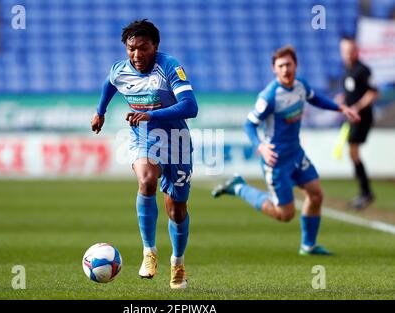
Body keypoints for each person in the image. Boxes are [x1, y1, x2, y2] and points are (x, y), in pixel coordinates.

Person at [212, 46, 360, 255]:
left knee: (316, 195)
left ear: (295, 65)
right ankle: (239, 188)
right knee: (285, 214)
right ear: (274, 69)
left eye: (288, 64)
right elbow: (249, 124)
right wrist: (260, 146)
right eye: (280, 66)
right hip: (277, 160)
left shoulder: (301, 86)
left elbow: (315, 98)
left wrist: (341, 108)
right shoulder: (270, 96)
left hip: (296, 153)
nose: (285, 69)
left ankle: (308, 245)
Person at [91, 19, 198, 289]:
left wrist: (149, 114)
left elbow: (190, 107)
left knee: (176, 210)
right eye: (131, 49)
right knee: (147, 180)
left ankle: (178, 263)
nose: (137, 55)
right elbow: (109, 84)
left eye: (143, 48)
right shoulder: (120, 69)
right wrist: (100, 112)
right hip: (145, 137)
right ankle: (149, 252)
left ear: (155, 46)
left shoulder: (170, 66)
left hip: (177, 140)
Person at [337, 37, 378, 210]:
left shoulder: (363, 70)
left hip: (362, 118)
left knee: (353, 151)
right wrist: (342, 100)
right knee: (352, 152)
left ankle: (366, 192)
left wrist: (357, 107)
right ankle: (364, 192)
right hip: (352, 118)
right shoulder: (347, 71)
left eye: (350, 50)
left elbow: (373, 93)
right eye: (345, 51)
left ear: (356, 50)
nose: (348, 54)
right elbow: (350, 93)